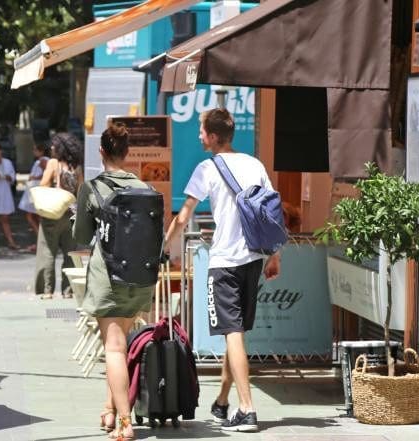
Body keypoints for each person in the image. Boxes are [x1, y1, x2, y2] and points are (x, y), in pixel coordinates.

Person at [165, 108, 281, 433]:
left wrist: (165, 245)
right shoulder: (254, 164)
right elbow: (272, 212)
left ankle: (247, 409)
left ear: (214, 136)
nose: (199, 135)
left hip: (225, 263)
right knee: (237, 334)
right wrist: (275, 255)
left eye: (202, 130)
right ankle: (222, 401)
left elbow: (183, 216)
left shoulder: (207, 168)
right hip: (253, 259)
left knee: (233, 334)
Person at [72, 123, 152, 440]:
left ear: (101, 151)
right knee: (120, 342)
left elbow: (81, 236)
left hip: (108, 277)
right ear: (127, 152)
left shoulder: (91, 188)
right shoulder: (144, 187)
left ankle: (125, 423)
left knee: (114, 348)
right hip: (140, 279)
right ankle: (109, 409)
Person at [35, 132, 83, 299]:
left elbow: (43, 185)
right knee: (70, 253)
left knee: (47, 251)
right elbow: (81, 191)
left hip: (53, 213)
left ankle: (46, 290)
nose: (51, 147)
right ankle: (68, 290)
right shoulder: (77, 167)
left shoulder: (53, 163)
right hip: (71, 214)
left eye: (54, 145)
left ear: (60, 148)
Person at [18, 143, 49, 252]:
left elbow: (46, 173)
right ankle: (40, 240)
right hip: (35, 190)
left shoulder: (43, 160)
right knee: (34, 216)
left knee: (32, 216)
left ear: (41, 151)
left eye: (35, 150)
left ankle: (41, 241)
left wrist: (34, 177)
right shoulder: (39, 161)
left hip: (38, 191)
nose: (33, 152)